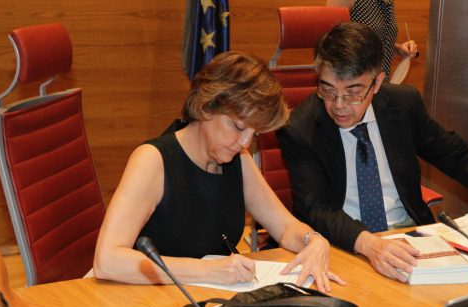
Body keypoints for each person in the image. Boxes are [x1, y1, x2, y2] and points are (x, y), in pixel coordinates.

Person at [277, 22, 468, 283]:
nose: (339, 105)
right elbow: (317, 209)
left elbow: (456, 154)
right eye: (327, 90)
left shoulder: (402, 105)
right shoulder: (300, 128)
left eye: (353, 92)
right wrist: (368, 244)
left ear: (378, 82)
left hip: (410, 240)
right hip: (343, 247)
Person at [94, 51, 345, 293]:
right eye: (237, 127)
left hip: (205, 299)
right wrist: (207, 270)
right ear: (206, 107)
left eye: (254, 133)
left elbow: (285, 228)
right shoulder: (152, 160)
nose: (245, 143)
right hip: (143, 298)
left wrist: (313, 240)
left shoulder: (238, 158)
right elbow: (107, 261)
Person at [326, 0, 417, 81]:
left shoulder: (388, 2)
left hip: (379, 84)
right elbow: (331, 39)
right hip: (353, 85)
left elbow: (369, 40)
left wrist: (398, 49)